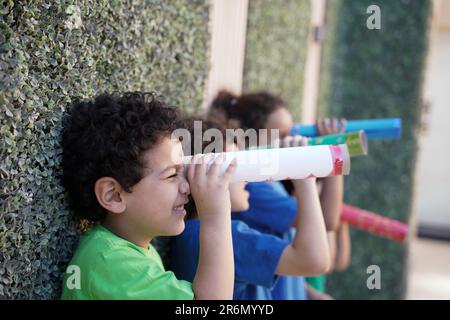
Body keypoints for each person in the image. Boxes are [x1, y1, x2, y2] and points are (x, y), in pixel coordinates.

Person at [60, 92, 236, 299]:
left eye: (183, 171)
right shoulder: (111, 261)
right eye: (172, 175)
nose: (186, 186)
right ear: (114, 195)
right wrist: (216, 218)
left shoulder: (127, 251)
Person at [170, 117, 330, 300]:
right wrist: (305, 181)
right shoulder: (226, 236)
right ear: (204, 174)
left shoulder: (191, 232)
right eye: (238, 168)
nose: (247, 179)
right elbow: (313, 261)